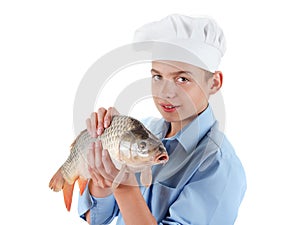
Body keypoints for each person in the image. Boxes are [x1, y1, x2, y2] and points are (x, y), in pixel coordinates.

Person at [78, 14, 247, 225]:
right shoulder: (145, 131)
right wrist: (102, 175)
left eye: (182, 79)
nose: (166, 92)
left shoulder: (219, 166)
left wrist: (122, 187)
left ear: (214, 83)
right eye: (158, 77)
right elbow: (96, 218)